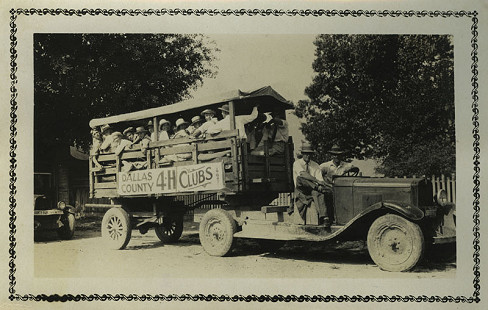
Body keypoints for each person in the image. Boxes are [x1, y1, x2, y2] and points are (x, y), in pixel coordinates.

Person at [291, 141, 330, 227]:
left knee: (318, 192)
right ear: (302, 154)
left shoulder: (315, 165)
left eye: (310, 154)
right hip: (300, 190)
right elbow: (302, 174)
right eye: (306, 154)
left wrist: (318, 185)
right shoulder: (297, 163)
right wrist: (315, 181)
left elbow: (321, 180)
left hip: (312, 190)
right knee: (300, 178)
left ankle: (324, 217)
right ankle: (315, 187)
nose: (308, 156)